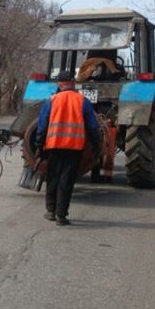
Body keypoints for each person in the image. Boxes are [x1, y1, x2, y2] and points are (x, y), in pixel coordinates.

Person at [35, 71, 101, 225]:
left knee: (52, 178)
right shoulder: (83, 101)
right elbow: (92, 127)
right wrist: (97, 147)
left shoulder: (52, 100)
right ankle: (61, 215)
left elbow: (42, 125)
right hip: (74, 147)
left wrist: (39, 145)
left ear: (59, 84)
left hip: (53, 146)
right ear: (73, 82)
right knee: (67, 180)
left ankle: (50, 211)